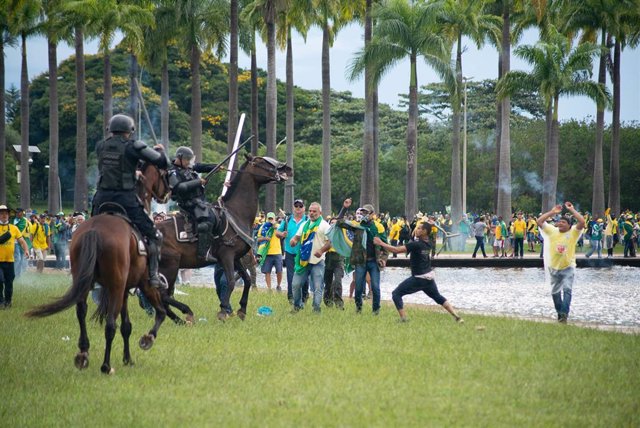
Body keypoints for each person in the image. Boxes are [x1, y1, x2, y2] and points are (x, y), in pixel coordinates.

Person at [91, 113, 169, 288]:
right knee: (155, 236)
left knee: (91, 233)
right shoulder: (134, 146)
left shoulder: (100, 146)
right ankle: (153, 276)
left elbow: (118, 164)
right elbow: (162, 162)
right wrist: (160, 150)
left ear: (110, 129)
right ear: (130, 131)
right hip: (125, 199)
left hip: (101, 198)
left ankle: (89, 274)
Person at [373, 222, 464, 323]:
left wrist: (381, 243)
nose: (417, 230)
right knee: (438, 297)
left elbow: (396, 250)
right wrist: (430, 225)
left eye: (420, 228)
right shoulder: (429, 242)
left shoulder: (416, 245)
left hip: (419, 278)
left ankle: (404, 319)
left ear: (425, 231)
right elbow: (418, 235)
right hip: (429, 277)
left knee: (396, 294)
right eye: (417, 228)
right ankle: (457, 316)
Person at [168, 146, 221, 262]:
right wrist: (198, 182)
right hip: (188, 203)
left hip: (199, 201)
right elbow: (180, 187)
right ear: (180, 158)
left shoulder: (187, 166)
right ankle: (203, 253)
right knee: (205, 222)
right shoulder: (172, 172)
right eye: (187, 160)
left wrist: (216, 167)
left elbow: (200, 166)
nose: (189, 162)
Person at [537, 202, 585, 323]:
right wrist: (552, 212)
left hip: (568, 267)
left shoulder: (573, 232)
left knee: (567, 290)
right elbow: (539, 222)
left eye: (564, 222)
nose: (560, 224)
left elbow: (582, 222)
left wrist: (572, 210)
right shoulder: (552, 231)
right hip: (554, 268)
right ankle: (560, 315)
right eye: (560, 222)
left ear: (569, 225)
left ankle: (564, 313)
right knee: (555, 293)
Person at [336, 202, 388, 315]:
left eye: (366, 212)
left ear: (372, 214)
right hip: (360, 262)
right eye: (362, 212)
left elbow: (385, 245)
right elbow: (339, 222)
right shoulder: (357, 225)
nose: (363, 214)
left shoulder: (378, 227)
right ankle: (358, 309)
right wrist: (344, 208)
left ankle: (376, 310)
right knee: (358, 287)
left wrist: (383, 259)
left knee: (375, 287)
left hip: (374, 262)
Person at [289, 202, 332, 313]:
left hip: (318, 261)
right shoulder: (305, 224)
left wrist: (321, 250)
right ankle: (297, 306)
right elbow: (297, 237)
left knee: (317, 287)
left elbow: (330, 242)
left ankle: (316, 309)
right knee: (295, 285)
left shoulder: (324, 225)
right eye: (310, 211)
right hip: (303, 260)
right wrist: (293, 241)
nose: (312, 213)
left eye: (314, 211)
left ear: (320, 213)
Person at [276, 199, 308, 304]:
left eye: (300, 206)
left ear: (304, 208)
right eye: (296, 206)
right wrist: (282, 234)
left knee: (304, 276)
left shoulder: (307, 220)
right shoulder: (287, 219)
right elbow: (277, 232)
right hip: (290, 252)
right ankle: (291, 298)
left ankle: (304, 297)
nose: (298, 208)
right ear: (293, 208)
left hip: (304, 252)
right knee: (291, 276)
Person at [0, 205, 30, 309]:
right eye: (1, 213)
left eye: (5, 213)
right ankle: (0, 301)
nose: (4, 215)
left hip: (10, 261)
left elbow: (22, 241)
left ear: (8, 215)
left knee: (9, 282)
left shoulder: (14, 228)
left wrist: (26, 250)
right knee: (0, 280)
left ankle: (8, 302)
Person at [257, 212, 283, 291]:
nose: (271, 220)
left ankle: (278, 285)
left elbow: (282, 235)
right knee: (267, 271)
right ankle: (269, 288)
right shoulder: (262, 227)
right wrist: (265, 238)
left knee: (279, 270)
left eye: (272, 218)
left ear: (274, 219)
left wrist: (275, 227)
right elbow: (258, 239)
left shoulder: (278, 226)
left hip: (277, 252)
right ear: (267, 219)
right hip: (266, 252)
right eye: (269, 218)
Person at [12, 208, 29, 276]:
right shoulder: (12, 219)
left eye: (19, 212)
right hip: (14, 242)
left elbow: (19, 230)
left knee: (21, 259)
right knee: (17, 259)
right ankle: (14, 274)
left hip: (20, 241)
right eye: (16, 212)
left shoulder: (24, 220)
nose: (17, 214)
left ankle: (18, 275)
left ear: (22, 213)